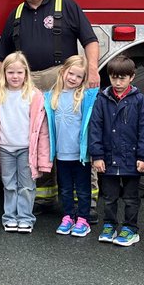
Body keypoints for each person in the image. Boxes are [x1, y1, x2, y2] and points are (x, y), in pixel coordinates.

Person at [0, 0, 99, 211]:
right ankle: (45, 195)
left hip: (61, 81)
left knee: (72, 136)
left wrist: (92, 69)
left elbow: (89, 40)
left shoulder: (66, 5)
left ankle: (86, 200)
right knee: (40, 139)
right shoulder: (16, 14)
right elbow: (2, 53)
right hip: (29, 86)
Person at [0, 51, 51, 233]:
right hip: (5, 148)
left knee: (26, 185)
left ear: (26, 73)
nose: (15, 76)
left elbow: (42, 129)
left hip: (27, 149)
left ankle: (25, 218)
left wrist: (43, 156)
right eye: (10, 72)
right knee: (9, 184)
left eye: (19, 72)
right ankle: (10, 217)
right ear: (4, 74)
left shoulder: (34, 95)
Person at [89, 54, 144, 247]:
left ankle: (130, 228)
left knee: (131, 197)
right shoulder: (102, 98)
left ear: (132, 77)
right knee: (109, 197)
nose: (117, 82)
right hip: (108, 159)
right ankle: (109, 225)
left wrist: (143, 157)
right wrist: (97, 156)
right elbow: (95, 128)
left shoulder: (139, 100)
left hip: (131, 159)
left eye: (122, 78)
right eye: (114, 77)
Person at [43, 55, 99, 238]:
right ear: (63, 71)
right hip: (61, 154)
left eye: (78, 76)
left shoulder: (85, 97)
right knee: (65, 188)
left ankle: (82, 219)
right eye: (71, 73)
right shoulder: (51, 96)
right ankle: (67, 216)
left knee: (83, 189)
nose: (73, 78)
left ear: (83, 80)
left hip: (80, 154)